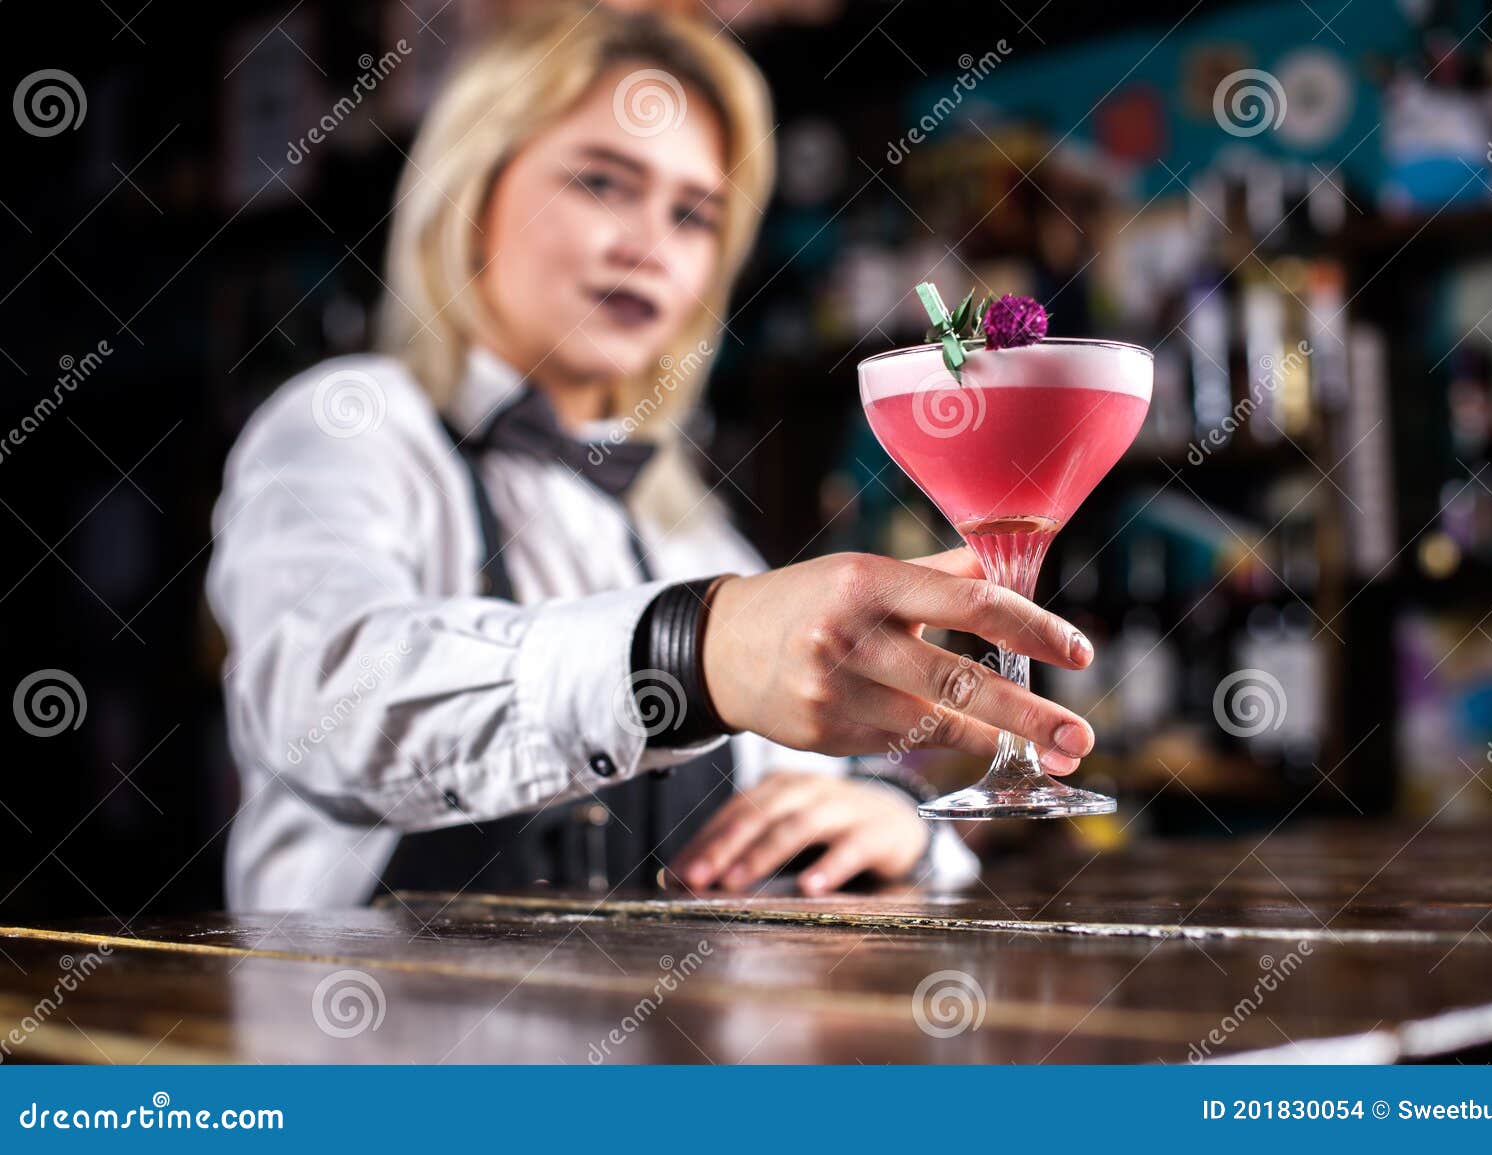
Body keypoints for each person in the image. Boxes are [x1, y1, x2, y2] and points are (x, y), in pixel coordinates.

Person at [206, 2, 1097, 912]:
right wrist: (687, 651)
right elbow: (324, 712)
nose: (650, 247)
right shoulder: (352, 422)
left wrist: (896, 815)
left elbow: (827, 774)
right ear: (472, 200)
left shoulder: (679, 525)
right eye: (601, 182)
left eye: (694, 215)